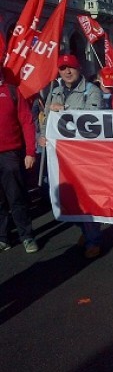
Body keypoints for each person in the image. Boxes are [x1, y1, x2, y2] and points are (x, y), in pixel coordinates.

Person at [38, 54, 104, 258]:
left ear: (79, 69)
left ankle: (93, 240)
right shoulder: (55, 90)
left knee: (84, 197)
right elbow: (45, 118)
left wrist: (65, 110)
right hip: (59, 154)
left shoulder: (91, 91)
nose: (67, 72)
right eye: (63, 68)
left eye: (71, 68)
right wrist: (42, 135)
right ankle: (85, 229)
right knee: (61, 195)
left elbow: (93, 119)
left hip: (83, 154)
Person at [0, 72, 38, 254]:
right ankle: (3, 238)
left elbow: (26, 122)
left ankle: (27, 236)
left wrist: (30, 151)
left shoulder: (12, 91)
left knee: (16, 197)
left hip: (10, 154)